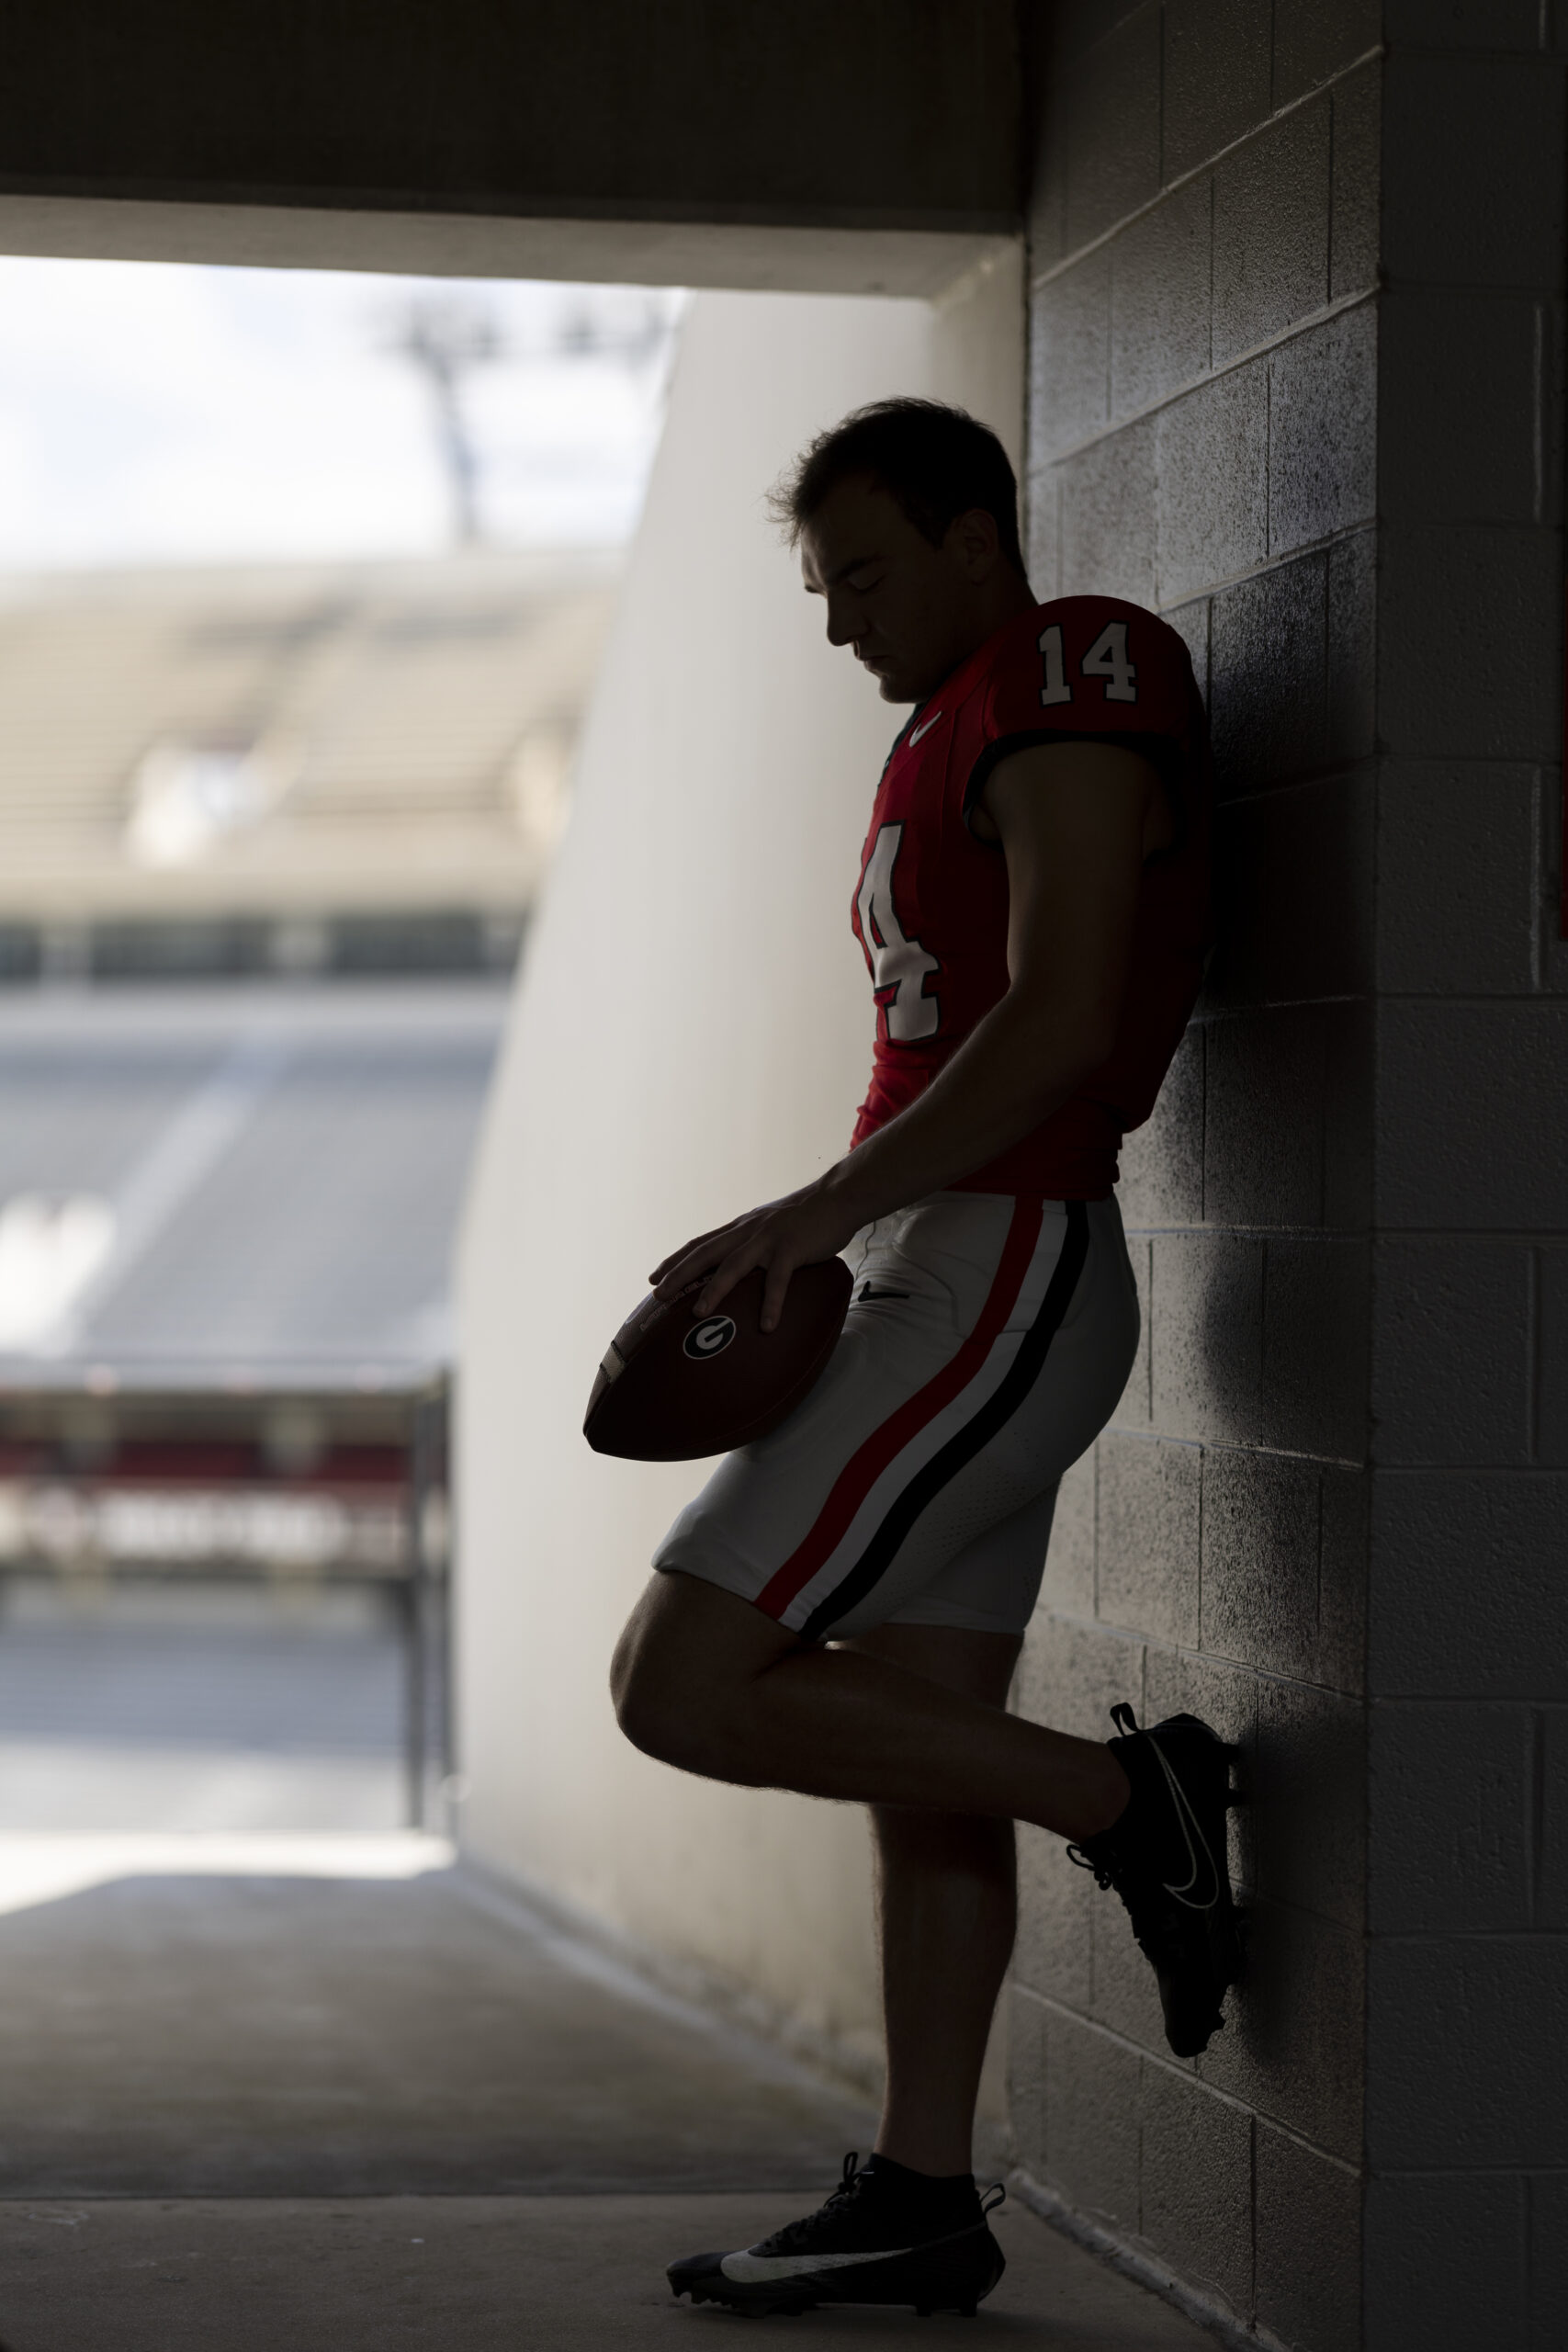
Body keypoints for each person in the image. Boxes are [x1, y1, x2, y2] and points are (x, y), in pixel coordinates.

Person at [610, 399, 1239, 2321]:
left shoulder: (1072, 662)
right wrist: (840, 1220)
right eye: (820, 585)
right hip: (945, 1256)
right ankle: (922, 2185)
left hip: (1000, 1257)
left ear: (979, 539)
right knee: (915, 1762)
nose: (836, 622)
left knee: (681, 1676)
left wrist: (810, 1212)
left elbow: (1054, 1020)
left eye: (864, 572)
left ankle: (1134, 1801)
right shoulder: (944, 719)